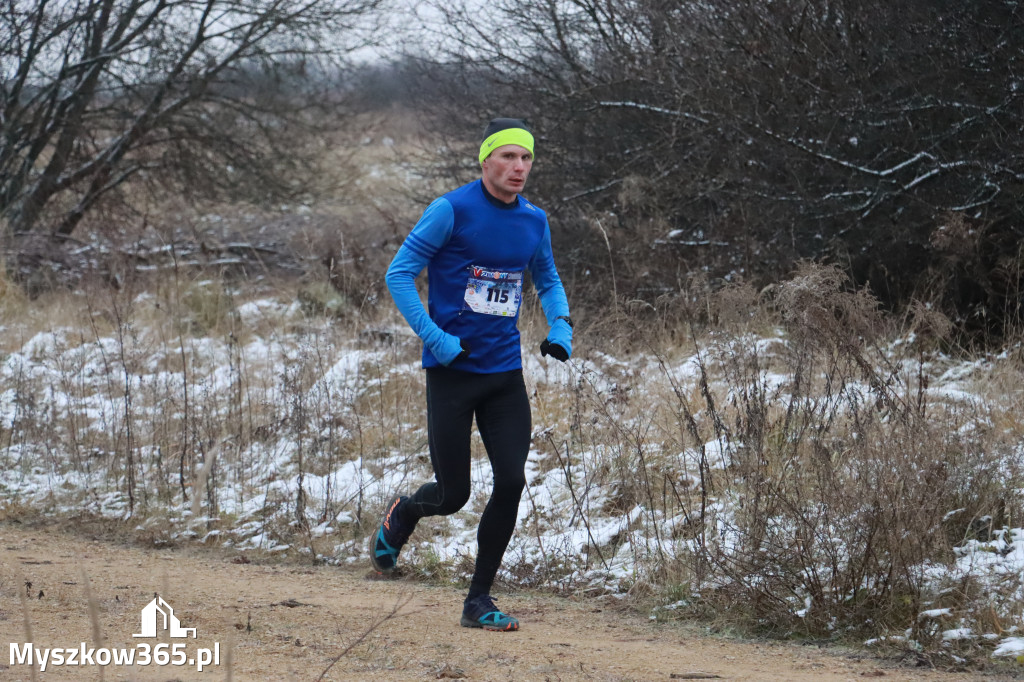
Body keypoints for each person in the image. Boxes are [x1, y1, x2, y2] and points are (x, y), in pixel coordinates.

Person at [370, 118, 573, 632]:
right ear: (485, 160)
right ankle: (407, 512)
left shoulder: (534, 220)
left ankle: (477, 600)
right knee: (453, 494)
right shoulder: (451, 210)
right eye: (507, 157)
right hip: (452, 372)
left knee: (511, 480)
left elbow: (546, 277)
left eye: (526, 158)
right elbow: (399, 273)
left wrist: (562, 325)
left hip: (504, 374)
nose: (518, 168)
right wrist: (434, 337)